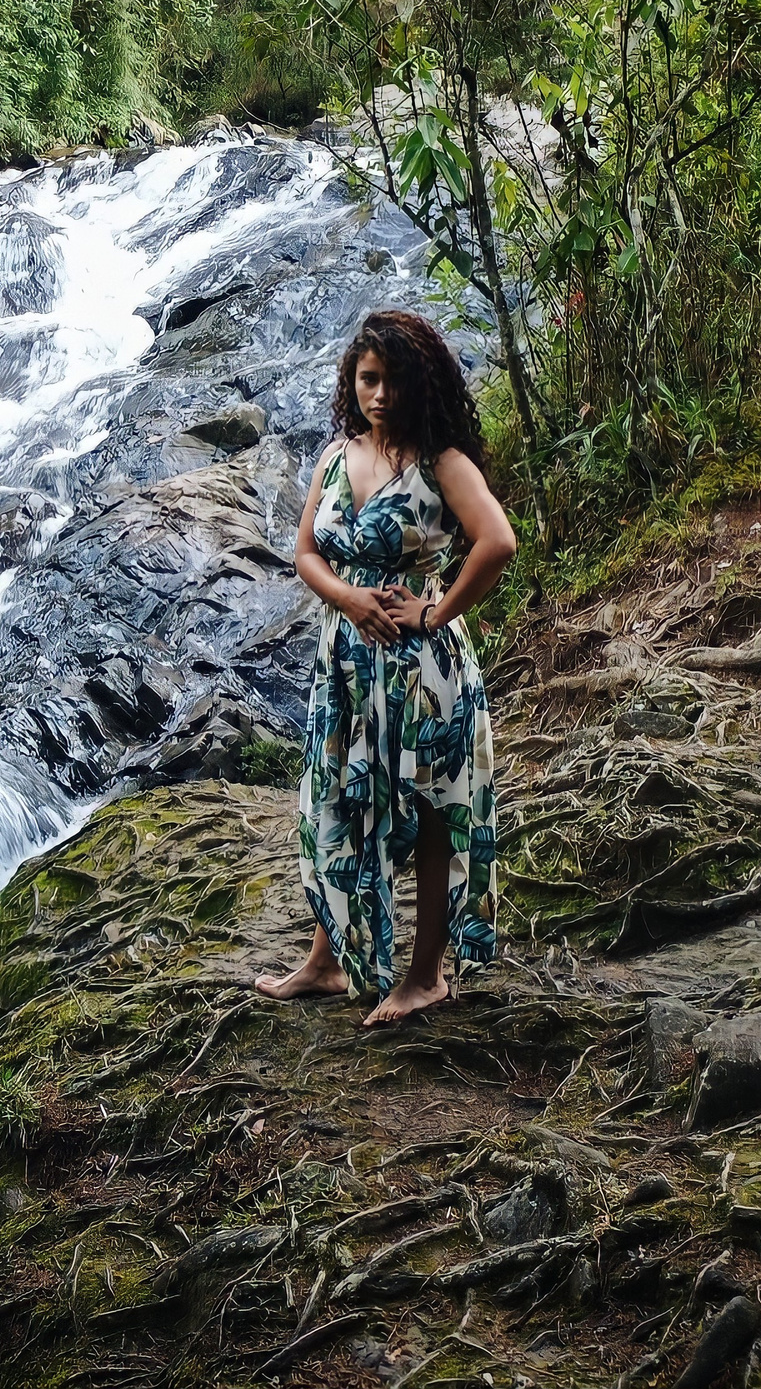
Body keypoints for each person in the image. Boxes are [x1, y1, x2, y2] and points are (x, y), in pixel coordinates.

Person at [255, 309, 517, 1026]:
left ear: (418, 384)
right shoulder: (338, 456)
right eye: (369, 380)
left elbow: (497, 541)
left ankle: (426, 975)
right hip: (344, 665)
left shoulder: (443, 464)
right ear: (353, 382)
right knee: (339, 801)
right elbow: (306, 552)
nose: (380, 395)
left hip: (421, 673)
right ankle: (327, 961)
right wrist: (347, 596)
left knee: (431, 811)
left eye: (394, 381)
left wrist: (435, 613)